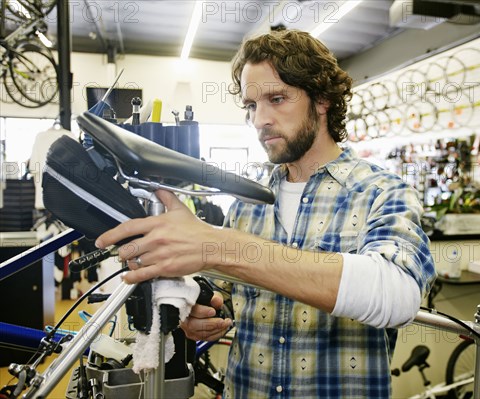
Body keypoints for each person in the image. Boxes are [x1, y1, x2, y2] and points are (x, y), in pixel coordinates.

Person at [95, 29, 436, 398]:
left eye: (277, 98)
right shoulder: (249, 200)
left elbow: (398, 295)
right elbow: (228, 297)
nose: (260, 120)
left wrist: (220, 246)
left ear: (322, 100)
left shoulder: (381, 191)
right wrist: (203, 314)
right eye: (252, 106)